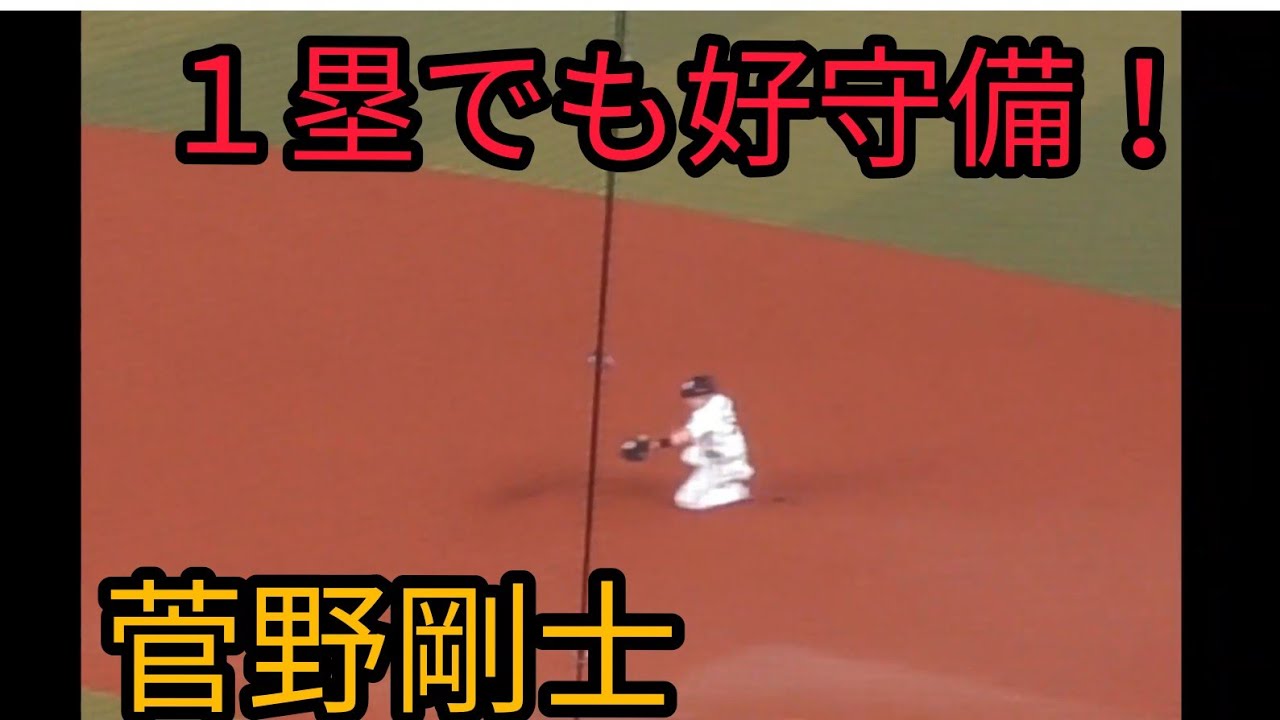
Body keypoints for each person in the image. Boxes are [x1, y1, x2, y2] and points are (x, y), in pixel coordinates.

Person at [620, 375, 756, 511]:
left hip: (722, 461)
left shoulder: (705, 415)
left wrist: (650, 445)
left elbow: (681, 438)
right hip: (729, 450)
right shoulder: (720, 400)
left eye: (689, 398)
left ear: (700, 396)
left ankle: (736, 490)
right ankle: (727, 476)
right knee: (689, 454)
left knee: (685, 500)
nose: (687, 401)